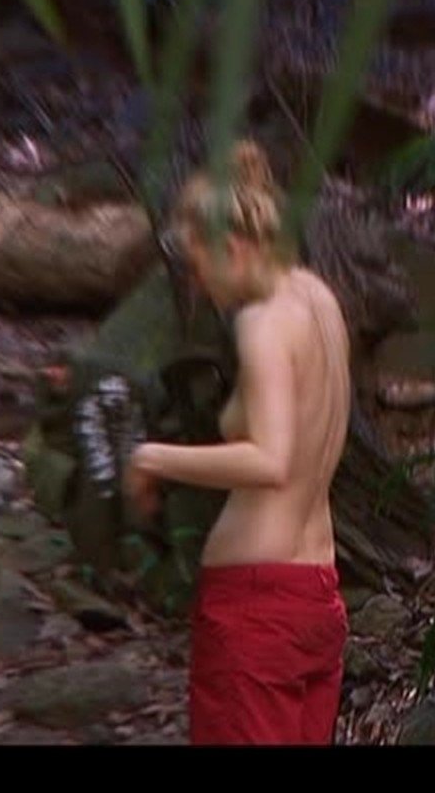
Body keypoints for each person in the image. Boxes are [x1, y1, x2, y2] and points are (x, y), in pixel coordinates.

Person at [126, 140, 353, 745]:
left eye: (197, 265)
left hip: (256, 610)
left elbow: (271, 459)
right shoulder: (318, 300)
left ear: (232, 247)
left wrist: (153, 458)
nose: (197, 284)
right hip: (316, 599)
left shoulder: (262, 323)